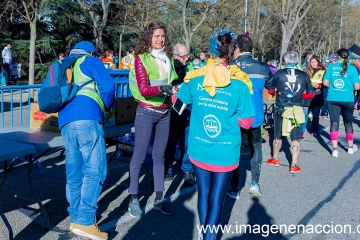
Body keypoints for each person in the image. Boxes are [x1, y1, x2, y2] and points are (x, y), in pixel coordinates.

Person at [176, 28, 254, 240]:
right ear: (233, 51)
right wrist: (227, 115)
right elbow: (247, 123)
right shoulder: (240, 82)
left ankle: (204, 235)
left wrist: (199, 106)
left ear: (209, 52)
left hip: (200, 148)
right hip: (225, 151)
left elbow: (178, 109)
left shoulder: (194, 78)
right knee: (217, 199)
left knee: (203, 194)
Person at [59, 41, 115, 239]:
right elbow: (108, 87)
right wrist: (107, 107)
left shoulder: (64, 63)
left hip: (65, 121)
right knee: (95, 170)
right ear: (91, 52)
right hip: (88, 117)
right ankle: (85, 221)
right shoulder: (90, 60)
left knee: (74, 173)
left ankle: (75, 218)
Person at [128, 21, 178, 218]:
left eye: (163, 36)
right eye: (156, 36)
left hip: (165, 111)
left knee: (159, 157)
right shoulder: (141, 58)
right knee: (138, 157)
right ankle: (133, 199)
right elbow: (143, 89)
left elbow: (171, 81)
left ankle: (159, 199)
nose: (160, 39)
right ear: (148, 37)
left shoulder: (168, 58)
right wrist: (162, 89)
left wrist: (176, 88)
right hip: (146, 112)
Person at [229, 34, 275, 198]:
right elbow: (271, 85)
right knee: (256, 147)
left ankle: (234, 189)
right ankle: (255, 183)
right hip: (255, 115)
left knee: (235, 149)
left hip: (234, 116)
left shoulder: (230, 65)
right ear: (252, 49)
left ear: (237, 49)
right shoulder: (262, 66)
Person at [267, 50, 314, 174]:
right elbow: (310, 94)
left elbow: (270, 91)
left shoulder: (279, 73)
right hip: (296, 108)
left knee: (277, 134)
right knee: (295, 136)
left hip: (281, 107)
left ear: (284, 61)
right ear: (297, 61)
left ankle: (275, 159)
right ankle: (293, 164)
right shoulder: (304, 75)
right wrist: (299, 96)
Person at [164, 43, 195, 187]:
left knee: (187, 144)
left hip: (186, 111)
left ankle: (187, 171)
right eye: (184, 56)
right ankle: (166, 169)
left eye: (187, 55)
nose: (187, 59)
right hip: (169, 111)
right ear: (175, 56)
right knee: (168, 143)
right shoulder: (167, 67)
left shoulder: (188, 68)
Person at [323, 48, 360, 157]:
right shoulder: (352, 69)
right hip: (347, 98)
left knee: (334, 123)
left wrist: (334, 87)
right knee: (348, 123)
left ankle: (335, 149)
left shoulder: (331, 67)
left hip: (332, 98)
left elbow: (325, 83)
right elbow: (357, 87)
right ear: (347, 57)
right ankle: (350, 148)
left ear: (338, 56)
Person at [300, 55, 326, 137]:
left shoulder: (323, 71)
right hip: (307, 95)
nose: (313, 64)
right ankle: (301, 131)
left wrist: (320, 86)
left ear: (318, 61)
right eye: (311, 62)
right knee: (304, 114)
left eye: (315, 61)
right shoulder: (307, 71)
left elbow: (326, 83)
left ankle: (314, 130)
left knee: (315, 115)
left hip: (317, 95)